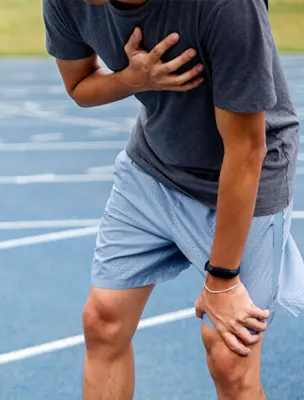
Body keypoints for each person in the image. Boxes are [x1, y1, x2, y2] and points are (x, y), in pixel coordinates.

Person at [42, 0, 304, 399]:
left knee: (229, 358)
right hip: (154, 165)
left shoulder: (226, 7)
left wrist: (221, 279)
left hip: (246, 174)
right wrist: (131, 80)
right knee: (103, 321)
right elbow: (79, 86)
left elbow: (246, 150)